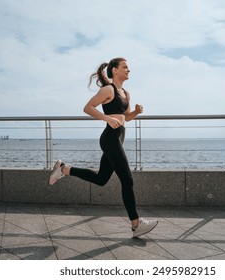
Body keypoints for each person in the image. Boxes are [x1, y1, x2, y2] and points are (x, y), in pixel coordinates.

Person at [49, 57, 158, 238]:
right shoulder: (108, 89)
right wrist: (107, 119)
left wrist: (136, 113)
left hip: (119, 136)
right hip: (110, 138)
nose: (128, 70)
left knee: (101, 179)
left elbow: (125, 118)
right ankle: (136, 224)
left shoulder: (126, 93)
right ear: (115, 70)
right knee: (127, 180)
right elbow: (88, 107)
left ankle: (64, 169)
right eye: (125, 67)